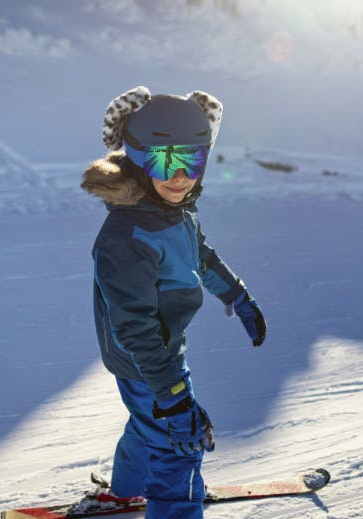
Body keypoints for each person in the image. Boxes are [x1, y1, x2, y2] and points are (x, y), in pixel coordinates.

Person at [81, 86, 267, 519]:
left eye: (192, 159)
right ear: (140, 159)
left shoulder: (174, 210)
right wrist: (173, 393)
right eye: (166, 160)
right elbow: (134, 325)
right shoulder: (128, 236)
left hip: (154, 351)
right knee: (180, 442)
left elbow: (199, 255)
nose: (180, 175)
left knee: (147, 424)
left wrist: (238, 297)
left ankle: (125, 491)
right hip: (147, 354)